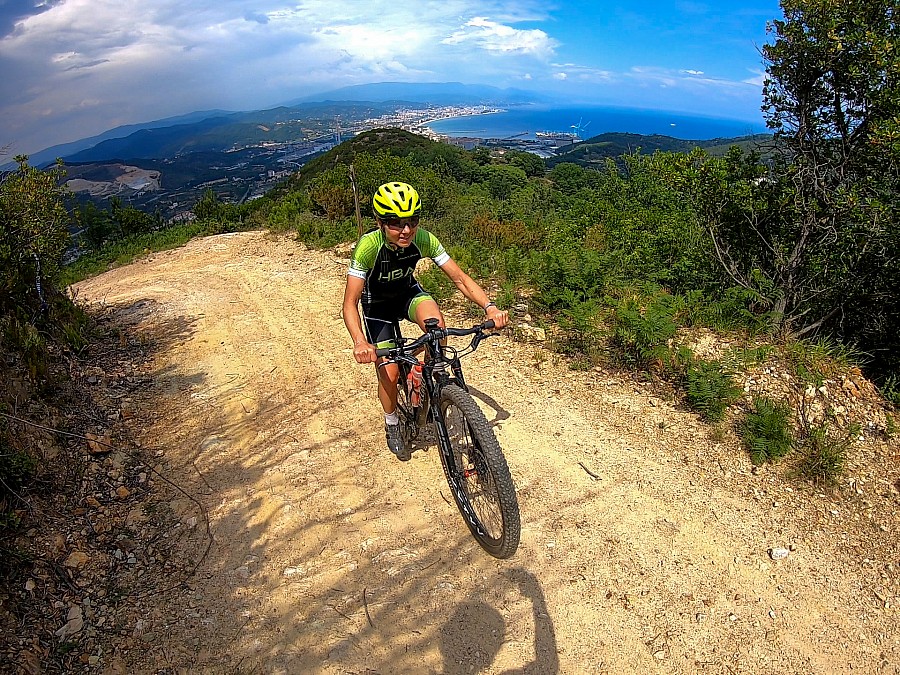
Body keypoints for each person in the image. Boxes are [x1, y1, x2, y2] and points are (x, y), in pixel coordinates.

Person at [342, 181, 509, 460]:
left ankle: (424, 378)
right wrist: (360, 342)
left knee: (437, 329)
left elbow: (459, 278)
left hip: (408, 294)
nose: (406, 230)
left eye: (412, 221)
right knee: (390, 371)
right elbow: (349, 303)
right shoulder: (368, 247)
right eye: (395, 223)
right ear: (380, 223)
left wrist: (489, 307)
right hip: (377, 306)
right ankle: (392, 422)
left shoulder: (424, 240)